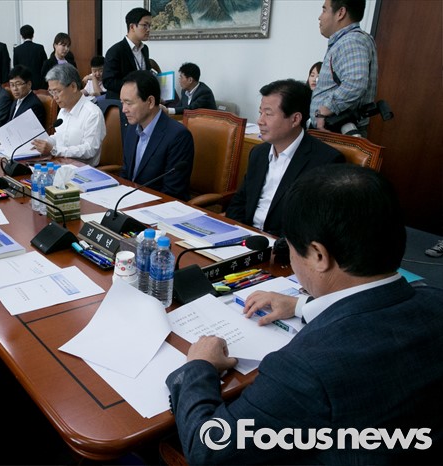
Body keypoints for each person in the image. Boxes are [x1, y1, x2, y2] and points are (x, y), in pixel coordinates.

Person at [166, 164, 443, 464]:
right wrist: (300, 305)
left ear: (319, 255)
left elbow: (208, 450)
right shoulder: (435, 300)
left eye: (291, 248)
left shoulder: (305, 368)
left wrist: (200, 367)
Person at [226, 79, 344, 236]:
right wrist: (237, 234)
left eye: (268, 114)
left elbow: (313, 224)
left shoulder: (325, 161)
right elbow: (239, 202)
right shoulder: (259, 153)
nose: (260, 121)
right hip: (246, 238)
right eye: (260, 112)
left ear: (295, 119)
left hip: (283, 245)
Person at [119, 70, 194, 200]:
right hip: (128, 201)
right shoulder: (131, 129)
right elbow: (126, 174)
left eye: (129, 103)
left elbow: (172, 192)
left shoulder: (178, 136)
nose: (124, 109)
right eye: (122, 103)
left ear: (150, 102)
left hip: (158, 206)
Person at [310, 0, 378, 135]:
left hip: (336, 131)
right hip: (335, 130)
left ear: (340, 13)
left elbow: (355, 83)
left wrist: (325, 110)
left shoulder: (350, 41)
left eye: (324, 10)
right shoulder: (356, 39)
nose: (319, 17)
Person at [32, 64, 105, 166]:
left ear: (73, 87)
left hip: (81, 170)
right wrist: (42, 143)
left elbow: (89, 149)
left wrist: (54, 150)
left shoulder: (93, 113)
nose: (54, 97)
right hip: (59, 165)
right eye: (51, 92)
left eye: (57, 91)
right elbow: (59, 137)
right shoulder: (63, 110)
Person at [103, 7, 152, 100]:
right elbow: (108, 81)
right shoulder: (115, 50)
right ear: (132, 27)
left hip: (140, 100)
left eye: (150, 26)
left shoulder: (145, 49)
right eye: (145, 25)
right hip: (120, 102)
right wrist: (134, 87)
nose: (148, 29)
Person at [13, 24, 48, 90]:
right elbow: (45, 64)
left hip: (23, 81)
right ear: (33, 35)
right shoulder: (39, 48)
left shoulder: (17, 49)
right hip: (39, 82)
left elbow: (16, 67)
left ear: (22, 36)